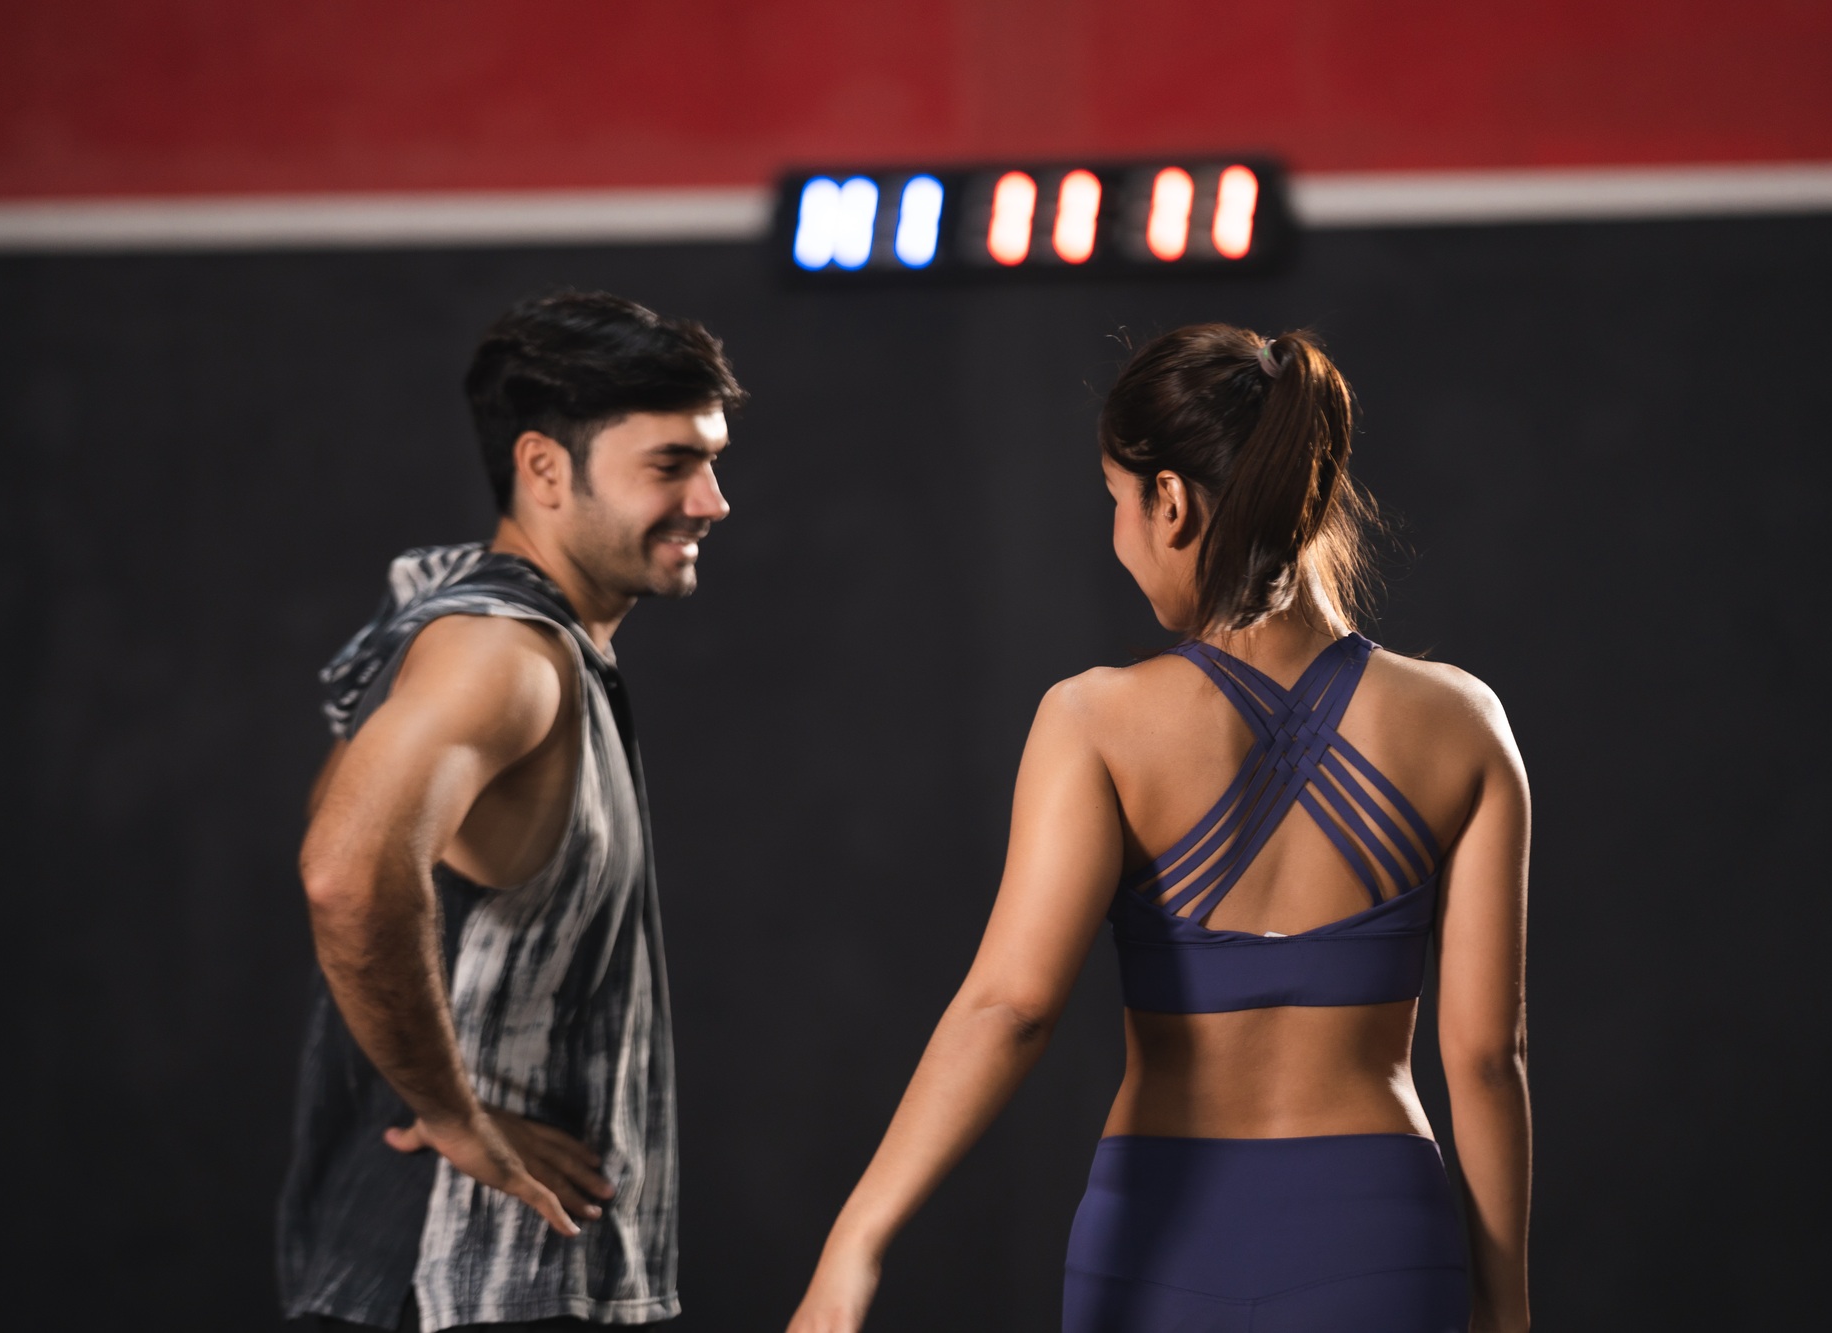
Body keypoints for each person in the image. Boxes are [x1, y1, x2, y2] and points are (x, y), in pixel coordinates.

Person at [786, 324, 1530, 1333]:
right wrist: (1505, 1309)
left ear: (1167, 502)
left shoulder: (1092, 722)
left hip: (1160, 1242)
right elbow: (1488, 1055)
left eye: (1114, 501)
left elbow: (1009, 1007)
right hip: (1377, 1240)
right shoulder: (1461, 723)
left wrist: (857, 1239)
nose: (1117, 535)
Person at [277, 290, 745, 1330]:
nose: (711, 500)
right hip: (456, 1280)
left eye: (710, 461)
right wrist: (451, 1111)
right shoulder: (499, 654)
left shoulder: (490, 625)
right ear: (543, 468)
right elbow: (345, 870)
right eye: (669, 465)